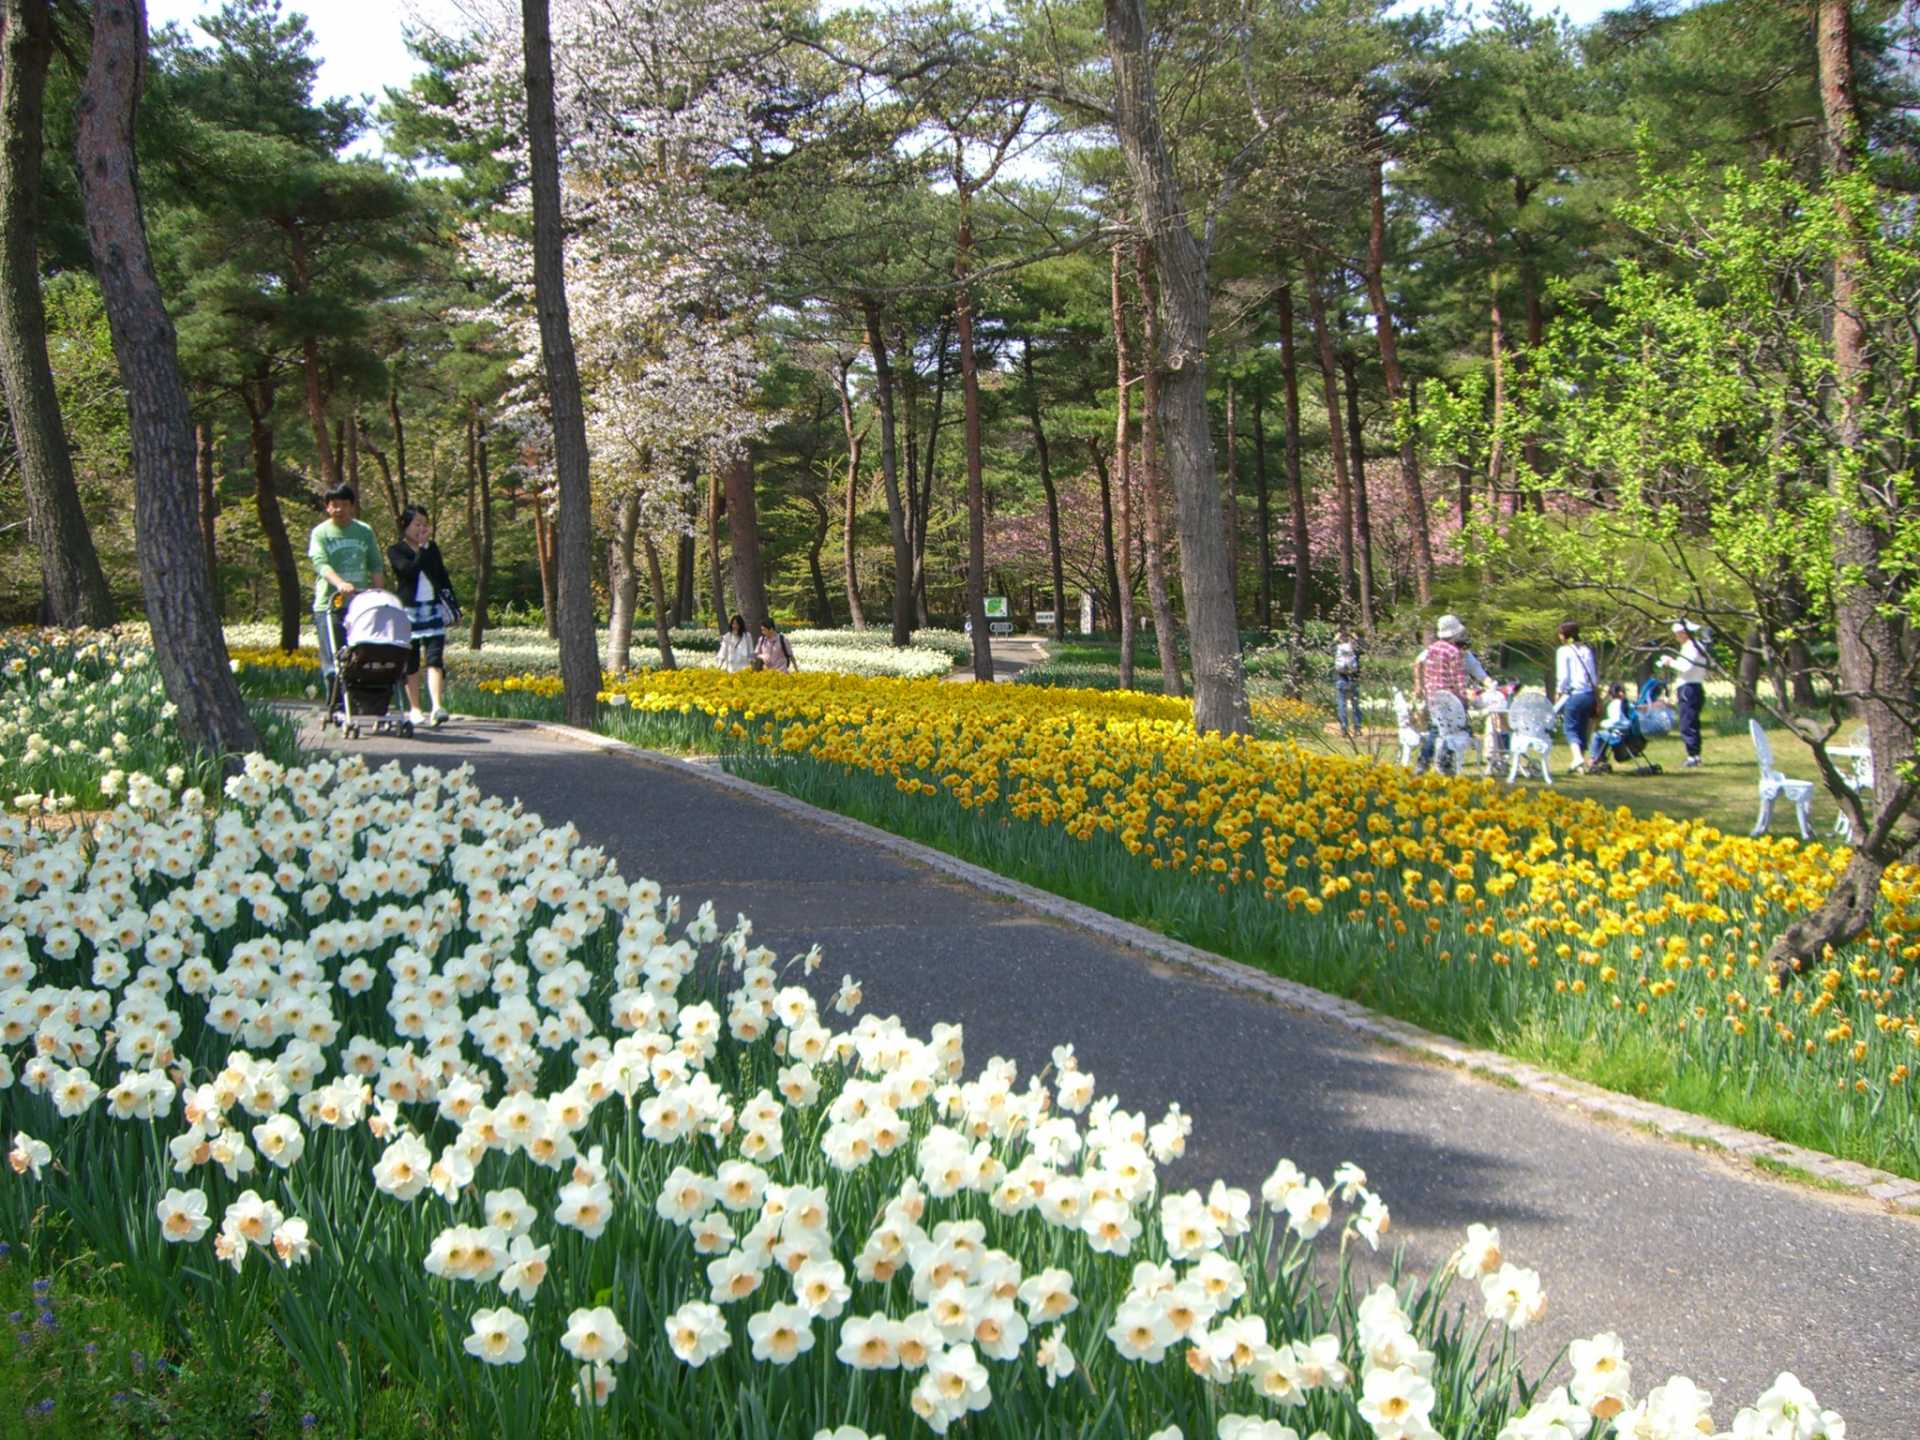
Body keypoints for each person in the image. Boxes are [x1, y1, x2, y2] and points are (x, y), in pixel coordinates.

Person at [388, 505, 458, 727]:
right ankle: (415, 709)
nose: (421, 528)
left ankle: (437, 706)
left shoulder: (432, 548)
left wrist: (454, 605)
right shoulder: (396, 550)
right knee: (411, 661)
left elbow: (442, 575)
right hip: (409, 611)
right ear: (405, 526)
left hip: (433, 608)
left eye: (424, 524)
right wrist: (420, 550)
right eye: (416, 524)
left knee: (435, 658)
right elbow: (408, 572)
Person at [307, 484, 384, 680]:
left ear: (351, 506)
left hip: (359, 604)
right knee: (333, 658)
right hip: (329, 603)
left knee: (359, 654)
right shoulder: (321, 533)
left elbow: (375, 564)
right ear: (327, 507)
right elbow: (320, 563)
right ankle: (336, 703)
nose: (338, 509)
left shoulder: (364, 531)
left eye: (343, 504)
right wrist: (340, 583)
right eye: (334, 505)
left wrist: (379, 595)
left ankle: (358, 698)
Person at [1412, 614, 1489, 773]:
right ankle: (1445, 761)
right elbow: (1458, 679)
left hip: (1434, 698)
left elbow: (1418, 663)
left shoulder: (1432, 649)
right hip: (1450, 699)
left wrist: (1419, 686)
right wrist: (1465, 700)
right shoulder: (1454, 652)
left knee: (1436, 729)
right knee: (1456, 730)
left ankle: (1423, 762)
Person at [1656, 620, 1711, 767]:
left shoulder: (1691, 647)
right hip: (1693, 686)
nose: (1676, 637)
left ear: (1683, 633)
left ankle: (1693, 756)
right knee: (1691, 721)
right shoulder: (1696, 646)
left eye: (1677, 634)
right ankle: (1695, 754)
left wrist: (1670, 662)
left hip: (1689, 687)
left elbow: (1685, 667)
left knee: (1687, 723)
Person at [1553, 620, 1601, 774]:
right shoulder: (1586, 650)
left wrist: (1558, 692)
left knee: (1570, 728)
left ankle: (1577, 757)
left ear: (1565, 635)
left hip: (1574, 694)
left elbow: (1563, 676)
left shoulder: (1563, 651)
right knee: (1582, 729)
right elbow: (1593, 676)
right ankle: (1580, 765)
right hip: (1589, 694)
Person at [1585, 683, 1632, 772]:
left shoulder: (1615, 704)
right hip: (1627, 732)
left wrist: (1603, 723)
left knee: (1597, 735)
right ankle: (1601, 757)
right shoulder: (1626, 703)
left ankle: (1594, 758)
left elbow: (1615, 720)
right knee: (1605, 735)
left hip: (1619, 734)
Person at [1331, 629, 1362, 739]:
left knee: (1341, 704)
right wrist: (1356, 638)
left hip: (1341, 677)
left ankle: (1344, 729)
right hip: (1353, 678)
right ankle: (1357, 728)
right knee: (1355, 705)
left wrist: (1335, 640)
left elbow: (1327, 649)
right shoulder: (1354, 648)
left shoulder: (1337, 648)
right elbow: (1364, 648)